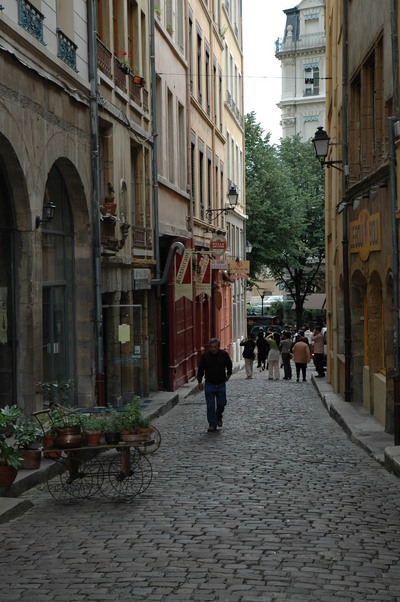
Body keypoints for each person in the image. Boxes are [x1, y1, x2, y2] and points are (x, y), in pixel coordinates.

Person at [197, 338, 233, 432]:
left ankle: (218, 416)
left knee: (222, 403)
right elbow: (201, 368)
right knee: (210, 406)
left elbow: (229, 364)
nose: (213, 349)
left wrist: (229, 374)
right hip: (209, 384)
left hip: (221, 383)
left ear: (218, 347)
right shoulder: (205, 356)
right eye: (211, 347)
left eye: (215, 347)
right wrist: (199, 381)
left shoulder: (224, 355)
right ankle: (212, 424)